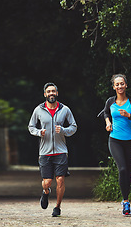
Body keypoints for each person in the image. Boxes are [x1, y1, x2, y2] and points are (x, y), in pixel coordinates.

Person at [28, 82, 77, 217]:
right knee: (47, 182)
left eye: (53, 91)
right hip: (45, 152)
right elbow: (31, 127)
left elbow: (74, 126)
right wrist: (39, 132)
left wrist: (63, 130)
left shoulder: (65, 109)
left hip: (61, 151)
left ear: (57, 93)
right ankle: (46, 192)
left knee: (60, 180)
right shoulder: (38, 110)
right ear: (45, 94)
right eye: (48, 92)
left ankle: (57, 207)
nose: (51, 94)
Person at [102, 74, 131, 215]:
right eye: (117, 84)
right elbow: (105, 113)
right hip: (115, 140)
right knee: (122, 169)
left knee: (128, 171)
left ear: (126, 85)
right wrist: (108, 122)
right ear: (113, 87)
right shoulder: (110, 101)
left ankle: (126, 198)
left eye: (122, 84)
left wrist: (129, 116)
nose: (120, 86)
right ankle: (125, 202)